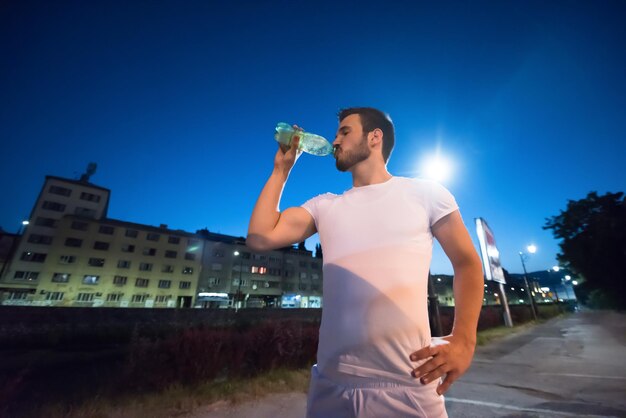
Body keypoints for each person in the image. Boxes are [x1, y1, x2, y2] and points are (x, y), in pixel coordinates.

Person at [247, 107, 484, 417]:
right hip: (329, 386)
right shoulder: (324, 205)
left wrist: (464, 341)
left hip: (407, 387)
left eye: (344, 132)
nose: (334, 141)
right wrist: (281, 170)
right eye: (336, 134)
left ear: (375, 137)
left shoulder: (426, 193)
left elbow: (467, 263)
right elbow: (260, 236)